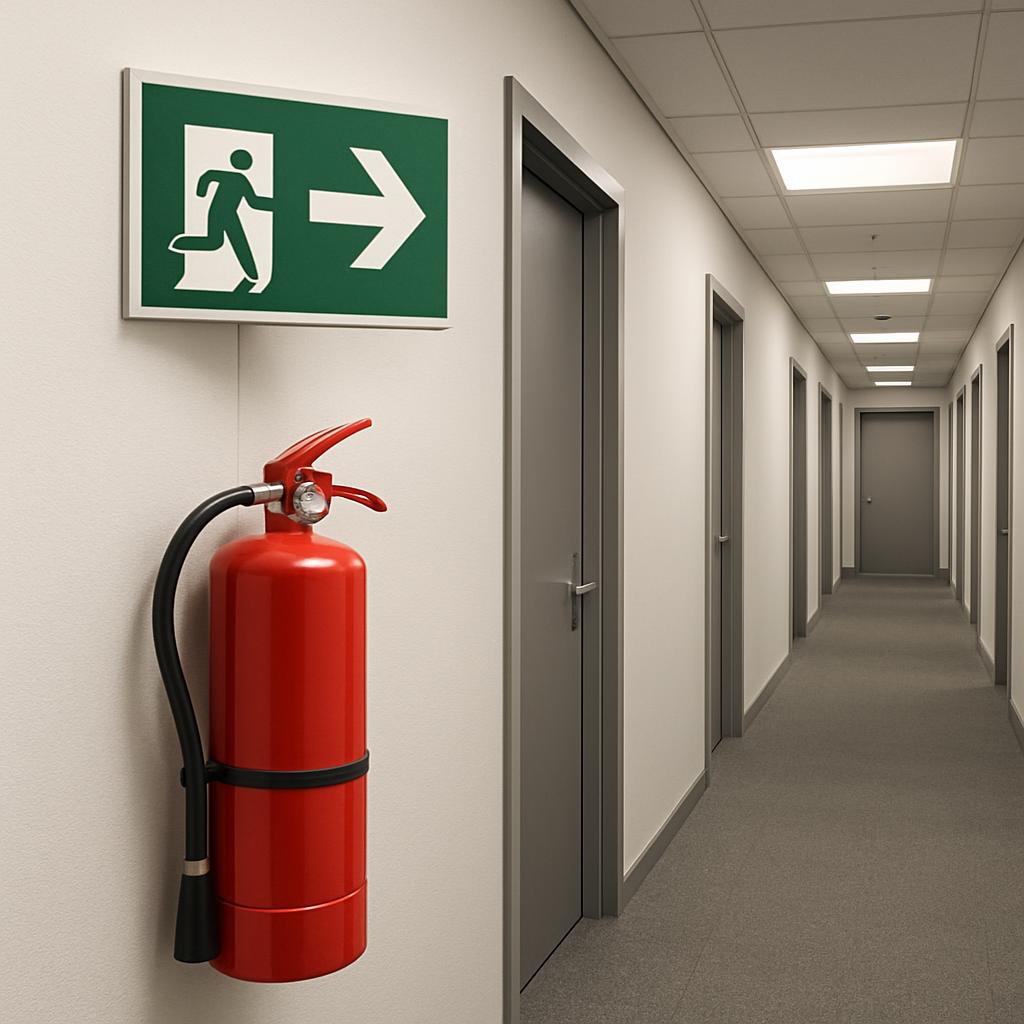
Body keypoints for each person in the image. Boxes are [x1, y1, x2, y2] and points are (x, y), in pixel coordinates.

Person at [169, 149, 272, 282]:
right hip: (219, 213)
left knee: (215, 242)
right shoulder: (234, 178)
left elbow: (253, 202)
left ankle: (180, 243)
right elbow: (208, 175)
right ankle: (180, 243)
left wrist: (275, 205)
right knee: (228, 242)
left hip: (228, 213)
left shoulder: (241, 180)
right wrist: (201, 192)